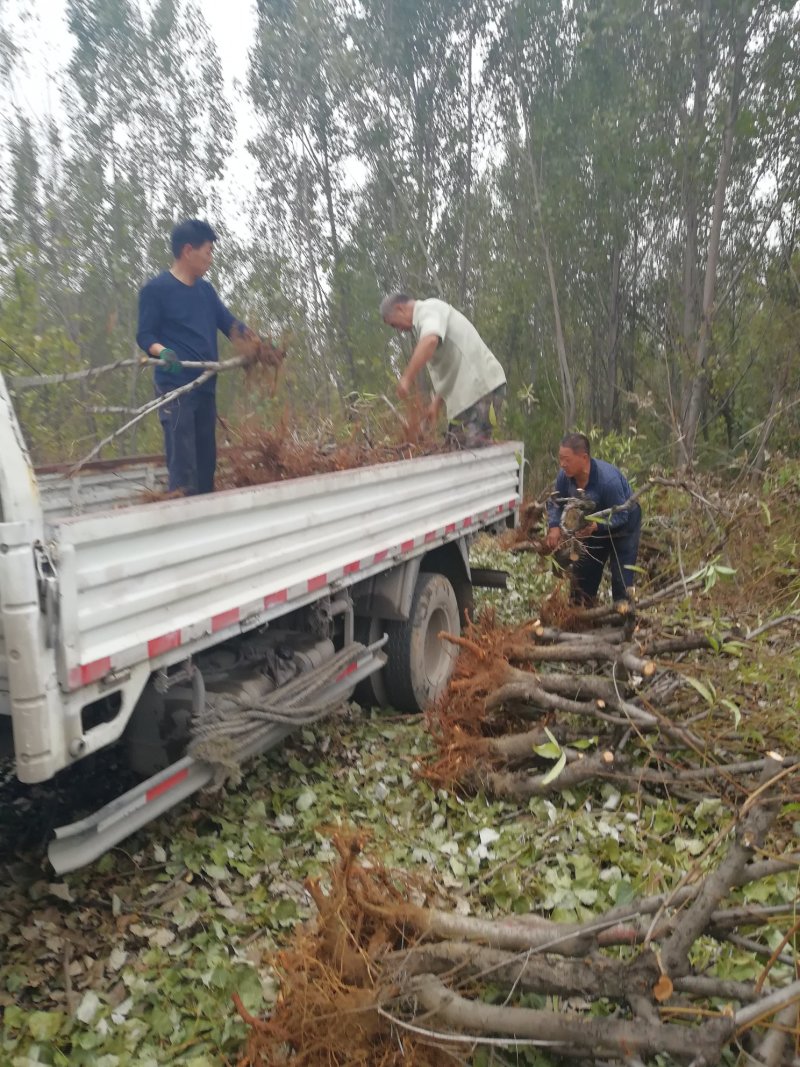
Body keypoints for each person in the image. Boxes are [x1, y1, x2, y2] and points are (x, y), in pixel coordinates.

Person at [136, 218, 255, 495]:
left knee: (206, 467)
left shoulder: (206, 292)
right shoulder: (156, 290)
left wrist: (260, 345)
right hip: (175, 390)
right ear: (188, 251)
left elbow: (230, 325)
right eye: (208, 251)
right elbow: (145, 336)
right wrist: (162, 352)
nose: (211, 258)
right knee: (184, 467)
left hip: (205, 389)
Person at [380, 292, 507, 448]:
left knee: (470, 454)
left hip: (481, 389)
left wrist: (407, 378)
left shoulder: (428, 309)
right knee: (455, 447)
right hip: (467, 397)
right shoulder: (427, 321)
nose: (398, 329)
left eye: (394, 324)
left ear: (400, 309)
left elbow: (430, 341)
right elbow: (451, 367)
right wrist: (436, 404)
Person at [545, 432, 641, 606]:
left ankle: (623, 620)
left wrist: (598, 527)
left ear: (584, 457)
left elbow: (622, 515)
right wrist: (554, 526)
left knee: (621, 576)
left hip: (624, 524)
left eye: (567, 459)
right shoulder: (564, 477)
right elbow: (556, 503)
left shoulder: (608, 481)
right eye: (560, 459)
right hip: (593, 524)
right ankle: (580, 614)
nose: (562, 464)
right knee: (584, 571)